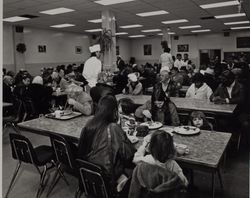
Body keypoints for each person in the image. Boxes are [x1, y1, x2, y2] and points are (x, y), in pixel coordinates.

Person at [78, 95, 136, 197]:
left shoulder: (90, 123)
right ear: (114, 111)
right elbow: (130, 155)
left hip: (89, 176)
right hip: (109, 179)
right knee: (139, 167)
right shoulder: (113, 128)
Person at [129, 130, 188, 198]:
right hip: (166, 194)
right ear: (171, 148)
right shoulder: (173, 165)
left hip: (148, 193)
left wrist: (144, 145)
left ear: (150, 146)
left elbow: (135, 159)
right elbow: (184, 182)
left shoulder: (146, 160)